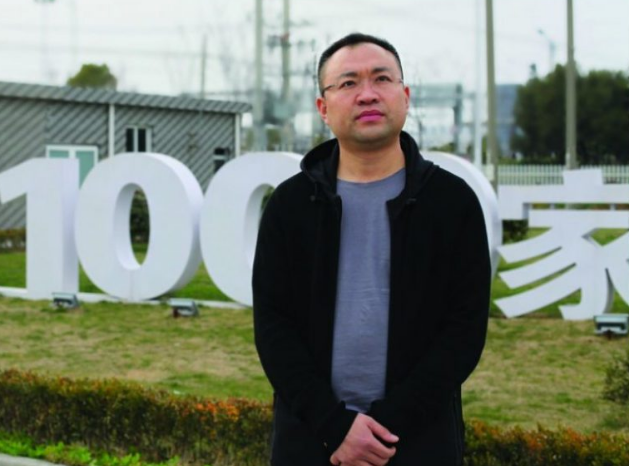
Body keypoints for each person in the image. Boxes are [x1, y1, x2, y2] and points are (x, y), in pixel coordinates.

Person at [253, 32, 490, 466]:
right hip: (312, 440)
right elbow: (273, 327)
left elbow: (463, 331)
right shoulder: (290, 204)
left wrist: (386, 426)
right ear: (323, 108)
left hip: (417, 440)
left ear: (405, 96)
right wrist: (334, 427)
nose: (367, 94)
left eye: (381, 79)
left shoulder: (451, 202)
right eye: (348, 83)